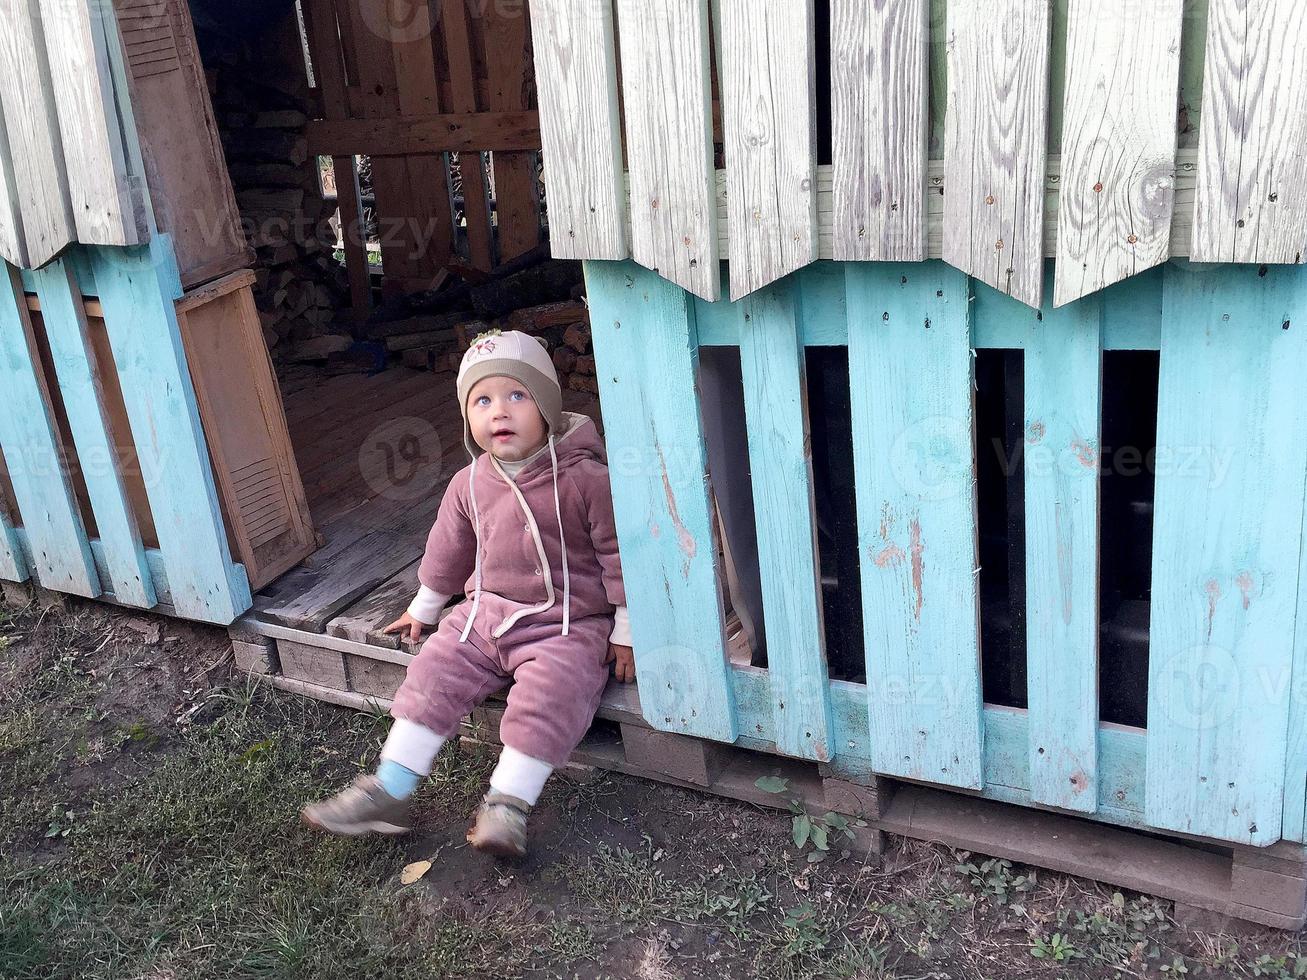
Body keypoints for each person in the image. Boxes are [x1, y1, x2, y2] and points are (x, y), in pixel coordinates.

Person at [301, 329, 634, 856]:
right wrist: (425, 608)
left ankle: (507, 805)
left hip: (565, 622)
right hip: (482, 615)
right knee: (433, 671)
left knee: (553, 691)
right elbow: (446, 552)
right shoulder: (470, 482)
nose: (499, 412)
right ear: (468, 418)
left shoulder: (587, 479)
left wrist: (625, 631)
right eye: (483, 401)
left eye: (517, 396)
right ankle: (391, 787)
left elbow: (621, 556)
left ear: (547, 405)